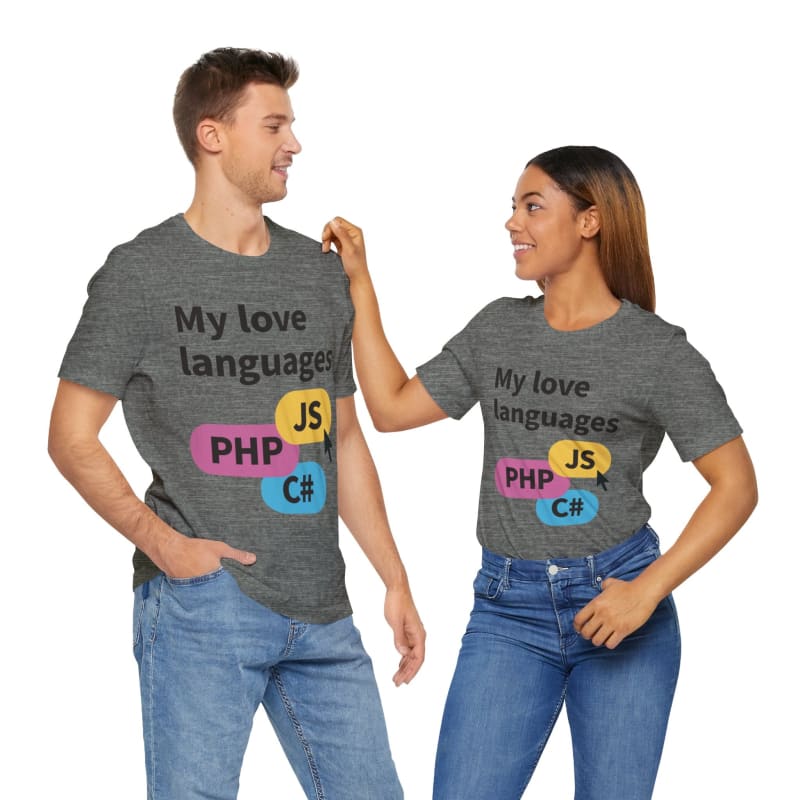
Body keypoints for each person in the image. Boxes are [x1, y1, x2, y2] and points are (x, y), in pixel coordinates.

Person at [322, 145, 757, 800]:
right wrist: (359, 282)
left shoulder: (657, 351)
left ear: (589, 222)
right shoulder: (499, 329)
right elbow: (390, 408)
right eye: (513, 208)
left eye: (532, 206)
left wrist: (644, 593)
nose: (512, 224)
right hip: (508, 611)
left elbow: (737, 486)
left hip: (620, 605)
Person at [48, 47, 424, 800]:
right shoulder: (142, 272)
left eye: (293, 125)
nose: (295, 144)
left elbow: (339, 435)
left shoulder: (318, 273)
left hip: (323, 606)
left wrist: (394, 576)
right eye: (275, 124)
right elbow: (69, 435)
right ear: (213, 135)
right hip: (202, 605)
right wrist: (167, 546)